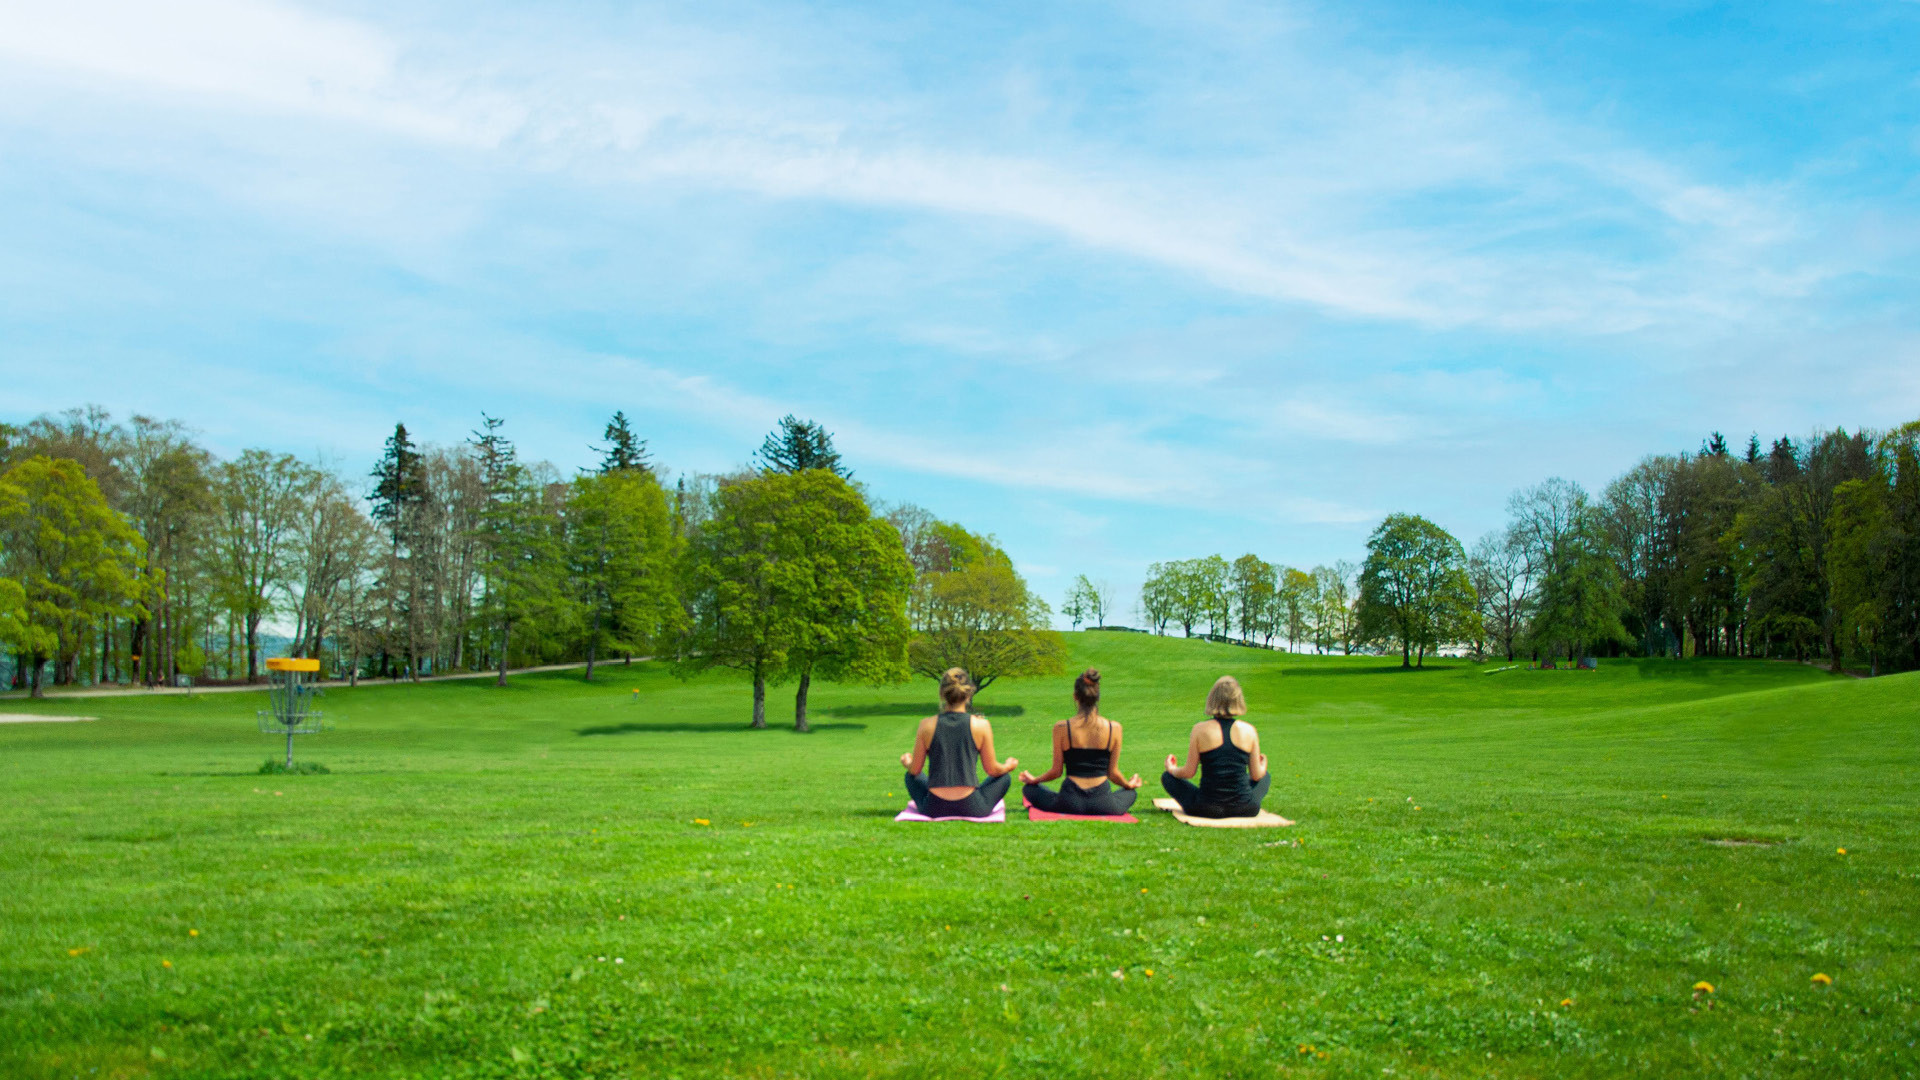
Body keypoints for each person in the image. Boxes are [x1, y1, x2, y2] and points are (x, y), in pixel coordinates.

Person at [1019, 668, 1142, 815]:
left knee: (1029, 789)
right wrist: (1128, 785)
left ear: (1075, 696)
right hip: (1103, 803)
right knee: (1131, 793)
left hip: (1069, 801)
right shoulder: (1114, 728)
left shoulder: (1062, 727)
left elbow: (1056, 772)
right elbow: (1113, 773)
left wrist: (1035, 780)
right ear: (1098, 697)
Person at [900, 668, 1018, 817]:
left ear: (942, 694)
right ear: (969, 694)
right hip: (972, 807)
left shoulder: (926, 725)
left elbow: (915, 770)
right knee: (1004, 776)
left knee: (910, 776)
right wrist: (1009, 766)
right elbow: (993, 770)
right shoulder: (981, 725)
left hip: (933, 808)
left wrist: (907, 762)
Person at [1160, 675, 1271, 818]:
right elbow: (1257, 775)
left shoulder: (1200, 729)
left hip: (1207, 807)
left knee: (1167, 777)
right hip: (1245, 808)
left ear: (1212, 699)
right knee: (1265, 776)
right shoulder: (1249, 730)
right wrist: (1263, 765)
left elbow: (1188, 772)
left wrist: (1172, 769)